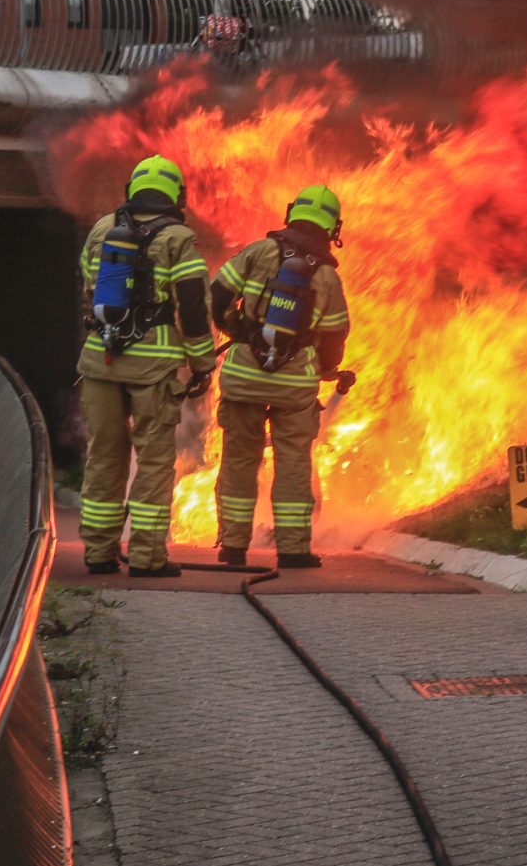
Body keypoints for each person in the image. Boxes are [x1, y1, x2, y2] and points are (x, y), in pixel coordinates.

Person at [76, 154, 216, 578]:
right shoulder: (177, 238)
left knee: (104, 455)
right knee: (153, 461)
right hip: (152, 370)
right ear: (177, 195)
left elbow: (87, 287)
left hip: (100, 361)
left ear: (131, 190)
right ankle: (147, 557)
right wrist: (202, 362)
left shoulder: (102, 230)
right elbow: (192, 307)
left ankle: (98, 553)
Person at [208, 184, 350, 567]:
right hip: (295, 385)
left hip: (244, 376)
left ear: (292, 213)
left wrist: (237, 329)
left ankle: (233, 546)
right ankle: (292, 550)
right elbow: (336, 333)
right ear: (332, 227)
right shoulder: (327, 277)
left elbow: (217, 295)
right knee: (292, 462)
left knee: (239, 458)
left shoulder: (258, 252)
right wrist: (324, 370)